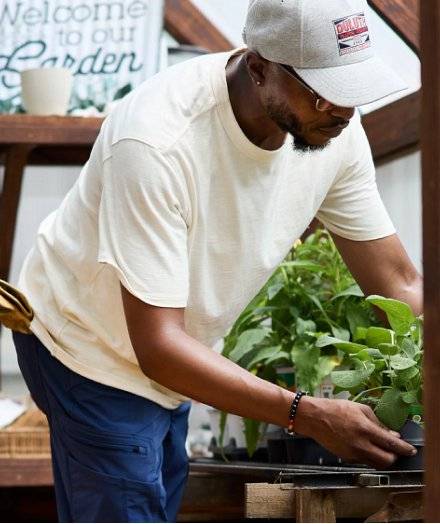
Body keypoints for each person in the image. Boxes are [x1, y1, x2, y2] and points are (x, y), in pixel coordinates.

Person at [13, 0, 422, 521]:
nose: (342, 110)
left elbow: (397, 281)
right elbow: (158, 346)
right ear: (258, 69)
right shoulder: (157, 139)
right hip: (88, 344)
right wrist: (306, 413)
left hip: (173, 350)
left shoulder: (335, 130)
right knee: (129, 498)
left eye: (353, 90)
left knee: (158, 491)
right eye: (324, 92)